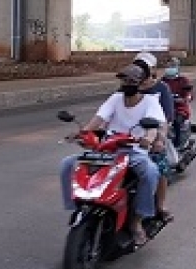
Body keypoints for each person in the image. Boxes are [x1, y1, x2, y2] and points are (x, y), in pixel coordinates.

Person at [60, 64, 165, 246]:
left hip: (133, 150)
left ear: (140, 83)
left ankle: (138, 220)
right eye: (124, 80)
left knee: (150, 172)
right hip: (107, 148)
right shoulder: (115, 98)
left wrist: (148, 139)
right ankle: (77, 205)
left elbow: (154, 127)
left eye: (131, 81)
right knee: (67, 164)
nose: (127, 84)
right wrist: (82, 133)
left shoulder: (150, 102)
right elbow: (98, 119)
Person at [131, 52, 174, 222]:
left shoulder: (161, 89)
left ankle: (160, 205)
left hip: (152, 136)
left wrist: (159, 139)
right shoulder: (125, 89)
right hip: (127, 138)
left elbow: (166, 118)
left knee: (159, 165)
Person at [162, 57, 193, 147]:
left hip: (179, 109)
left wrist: (185, 98)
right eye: (168, 66)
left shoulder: (183, 80)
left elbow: (189, 94)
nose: (169, 68)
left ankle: (177, 145)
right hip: (164, 109)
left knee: (177, 121)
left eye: (172, 66)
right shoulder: (162, 81)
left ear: (177, 67)